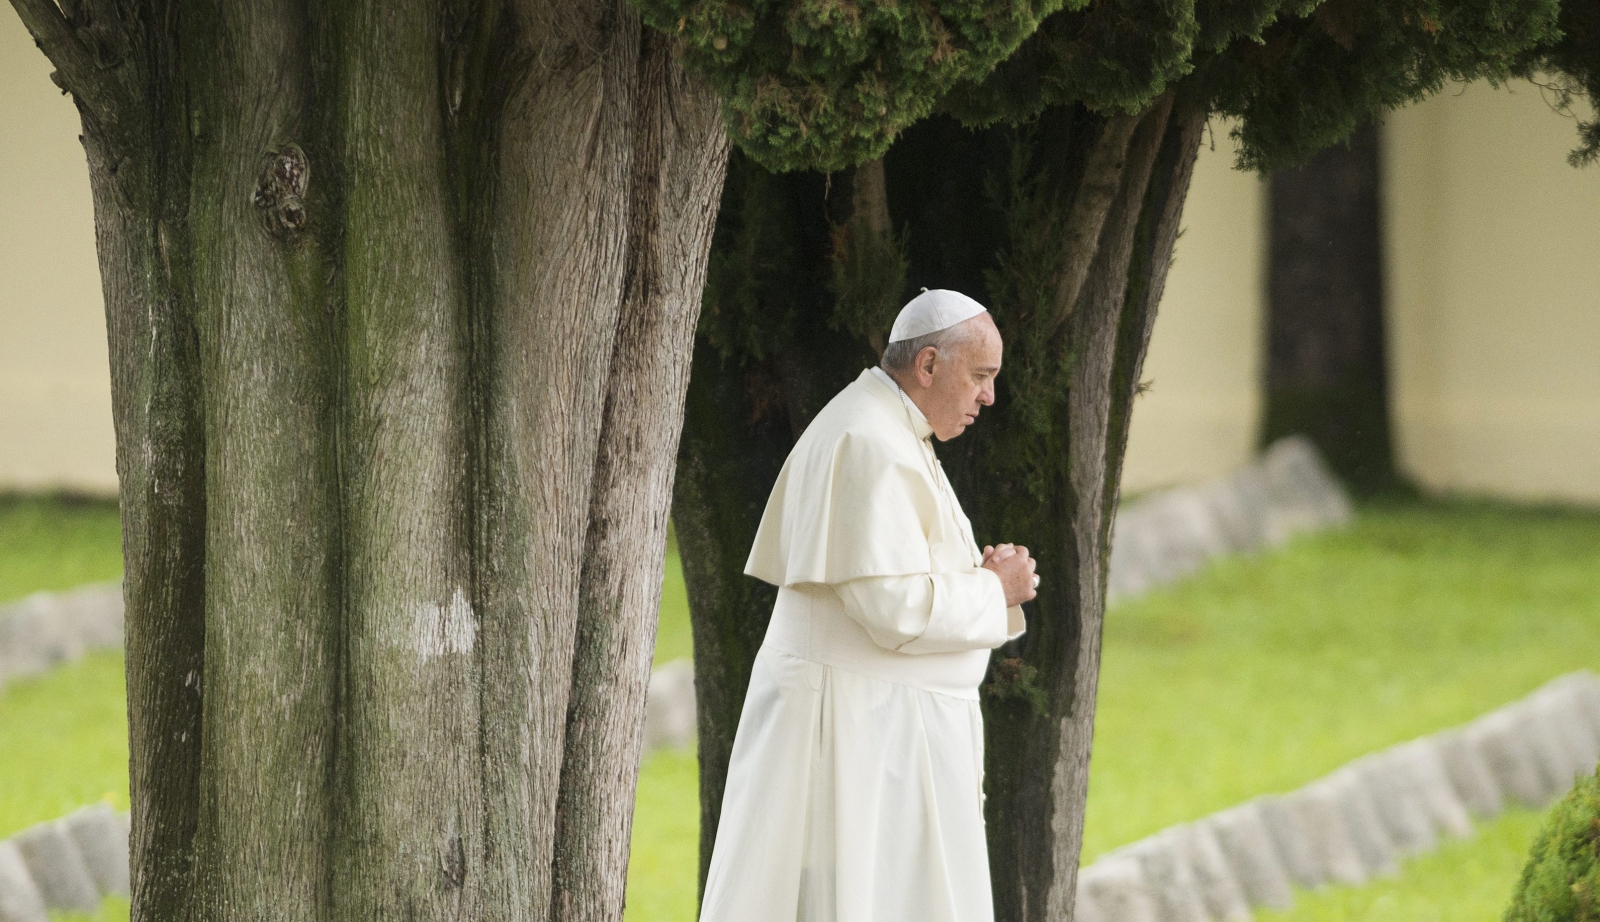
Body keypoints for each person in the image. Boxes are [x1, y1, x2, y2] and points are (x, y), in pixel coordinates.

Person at [698, 289, 1040, 922]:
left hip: (887, 730)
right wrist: (996, 590)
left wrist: (982, 578)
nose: (989, 397)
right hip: (853, 733)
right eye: (982, 376)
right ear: (930, 365)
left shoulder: (890, 429)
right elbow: (892, 608)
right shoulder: (867, 438)